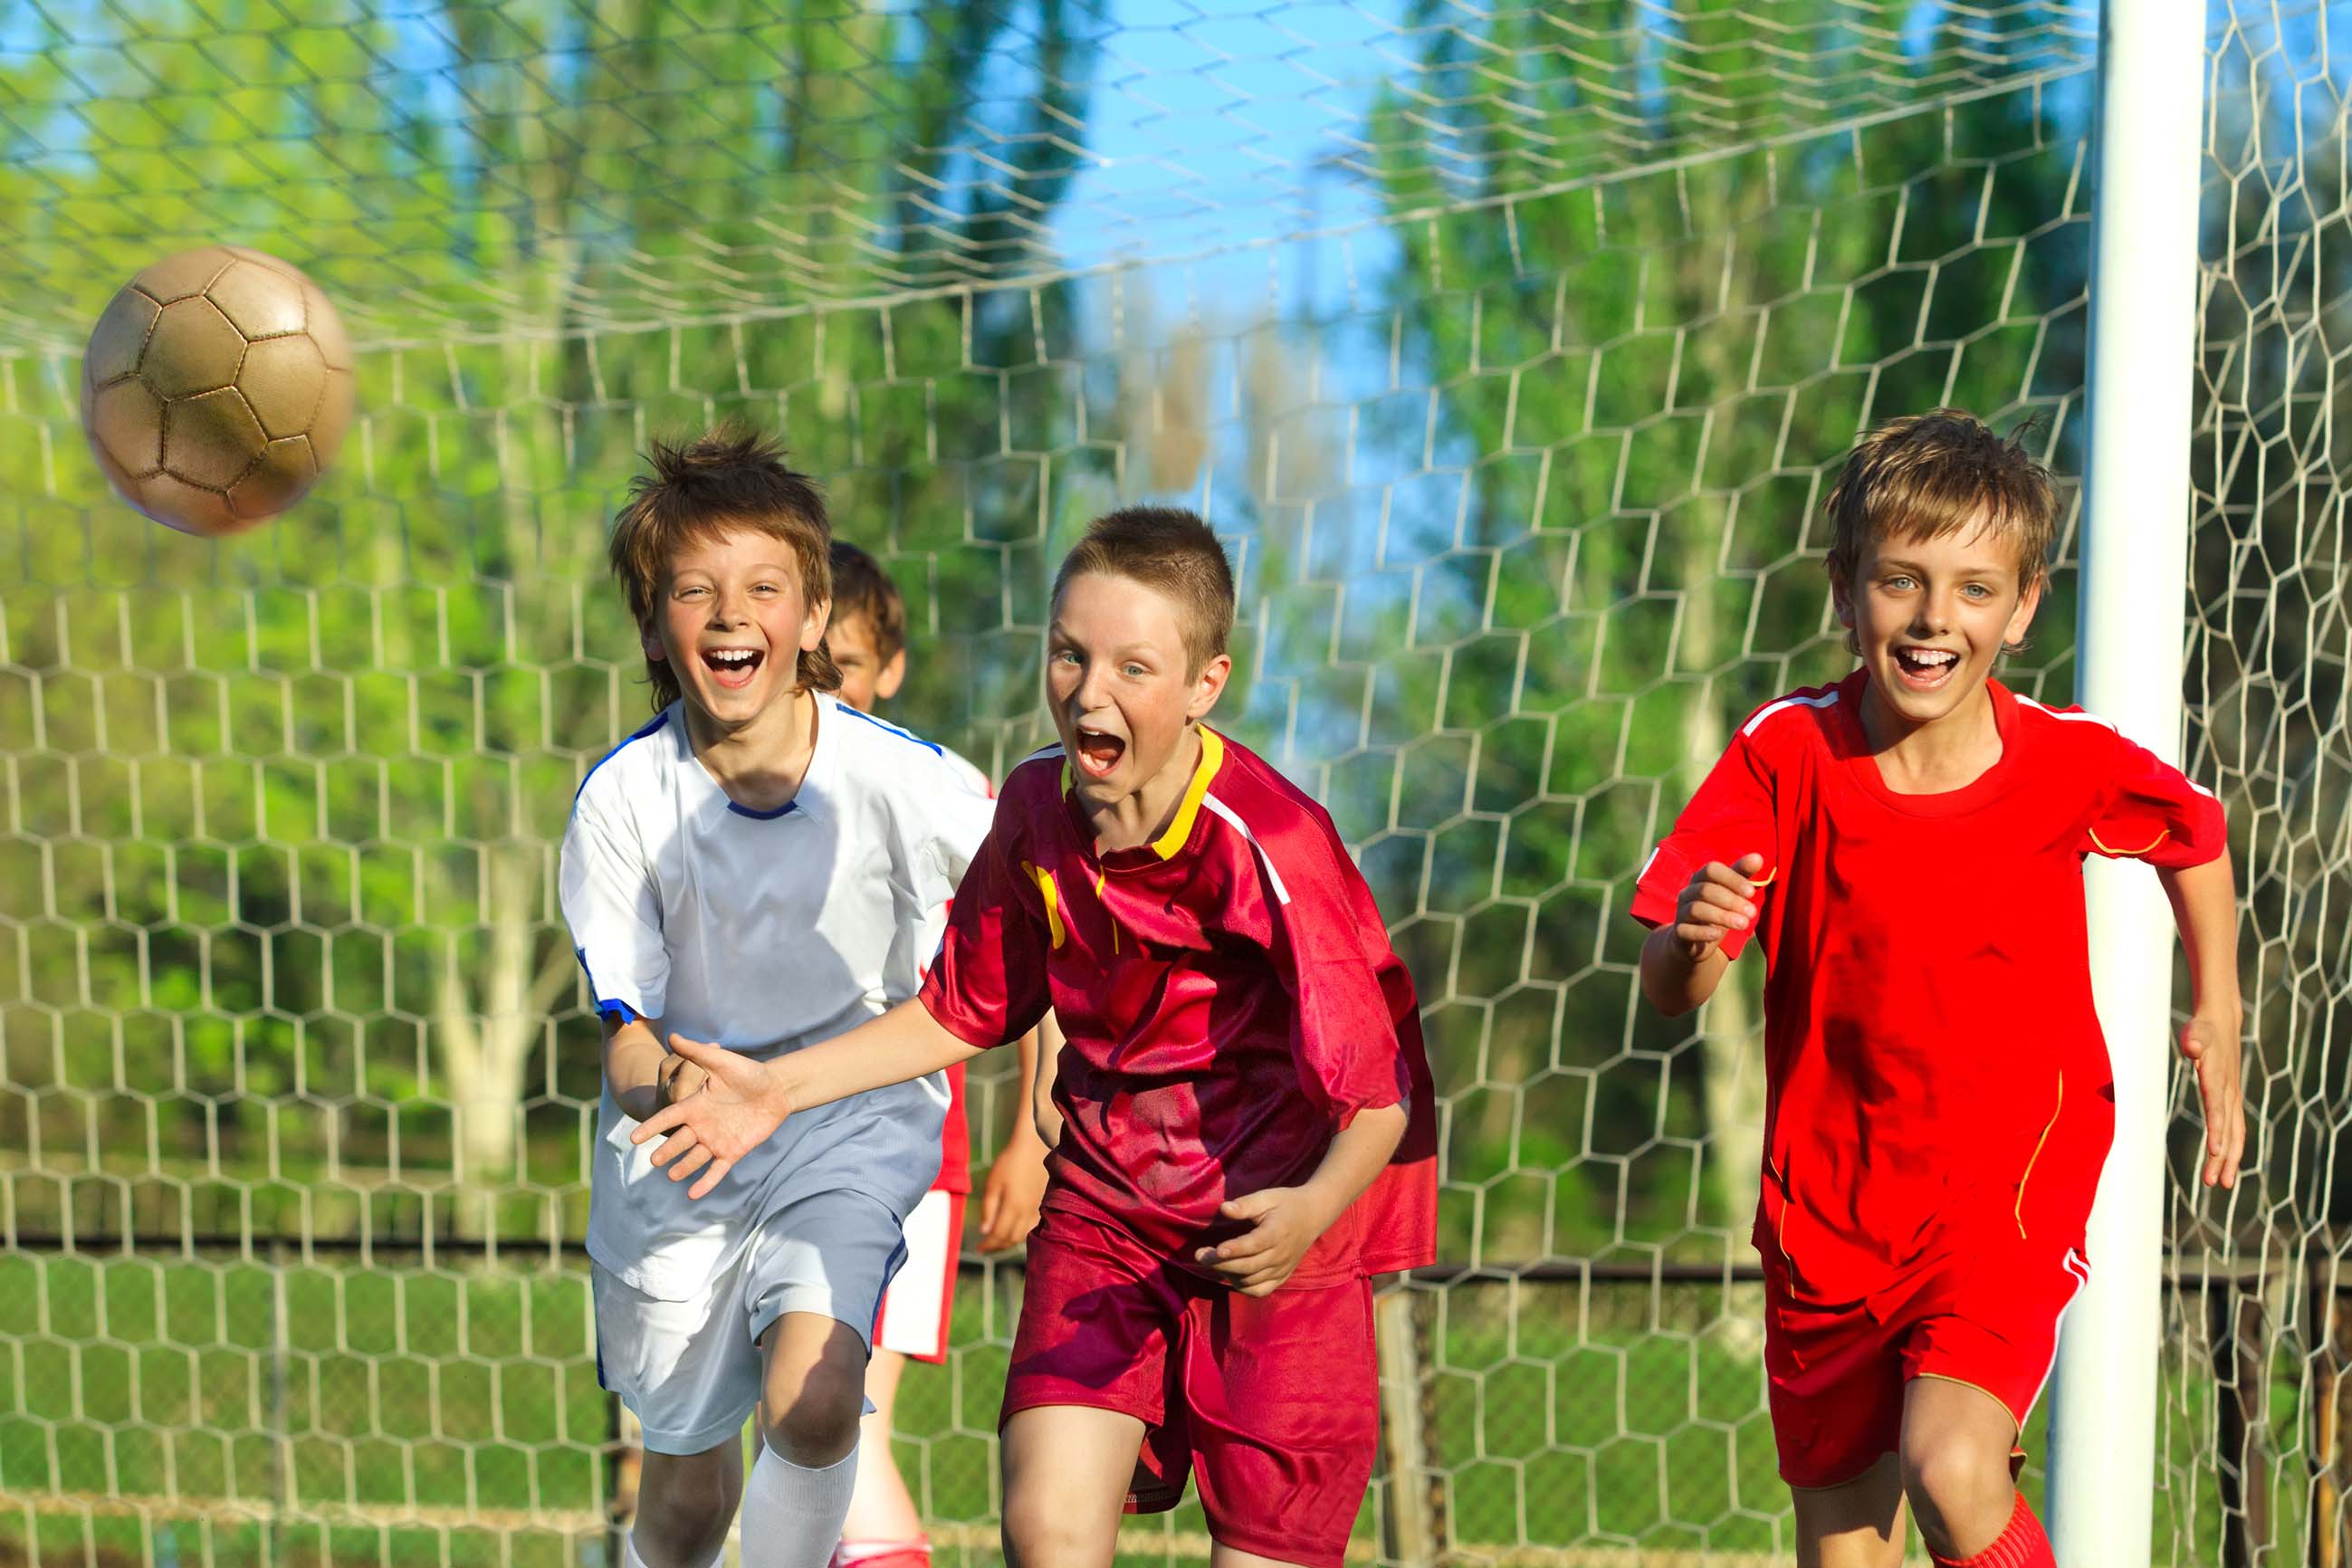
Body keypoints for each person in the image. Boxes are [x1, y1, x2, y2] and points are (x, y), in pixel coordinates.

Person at [630, 506, 1439, 1568]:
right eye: (1070, 652)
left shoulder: (1268, 840)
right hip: (1107, 1218)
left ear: (1207, 685)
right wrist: (777, 1088)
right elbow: (957, 1007)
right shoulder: (1032, 808)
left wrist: (1310, 1213)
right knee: (1047, 1530)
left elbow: (1379, 1097)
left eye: (1133, 668)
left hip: (1278, 1234)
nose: (1090, 691)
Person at [1630, 410, 2245, 1568]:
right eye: (1902, 581)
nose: (1932, 619)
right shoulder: (1783, 755)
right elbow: (1670, 981)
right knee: (1846, 1548)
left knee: (1955, 1463)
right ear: (1844, 587)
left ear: (2020, 607)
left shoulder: (2064, 761)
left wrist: (2219, 1007)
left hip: (2005, 1180)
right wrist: (1696, 937)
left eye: (1972, 589)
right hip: (1828, 1200)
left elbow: (2194, 836)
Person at [559, 426, 997, 1568]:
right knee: (688, 1505)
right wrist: (680, 1083)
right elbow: (625, 1038)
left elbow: (1032, 944)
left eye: (763, 586)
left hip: (846, 1130)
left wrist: (1050, 1117)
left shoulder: (919, 785)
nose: (729, 614)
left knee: (817, 1398)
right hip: (683, 1154)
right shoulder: (620, 803)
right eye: (693, 591)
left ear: (812, 613)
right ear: (656, 624)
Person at [824, 540, 1054, 1568]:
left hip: (908, 1159)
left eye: (845, 663)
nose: (823, 684)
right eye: (804, 659)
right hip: (770, 1149)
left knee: (836, 1425)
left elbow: (1043, 960)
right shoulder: (734, 782)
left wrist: (1033, 1138)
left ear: (892, 667)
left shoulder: (944, 790)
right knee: (802, 1438)